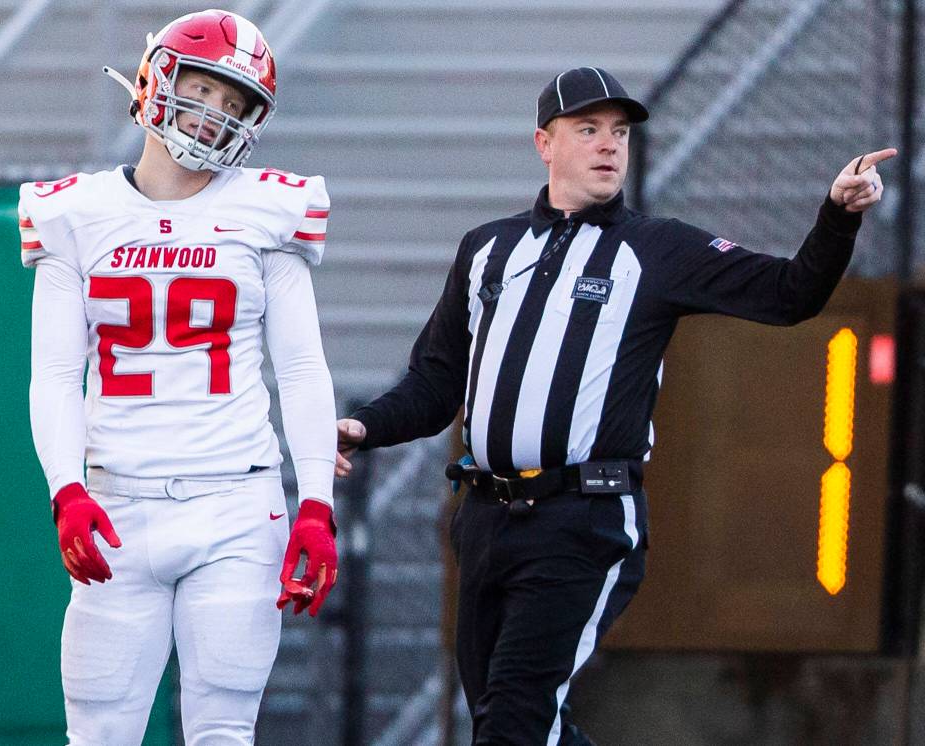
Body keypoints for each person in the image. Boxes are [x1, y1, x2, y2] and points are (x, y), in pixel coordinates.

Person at [335, 66, 895, 744]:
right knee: (514, 721)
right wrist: (364, 428)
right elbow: (434, 383)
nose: (610, 145)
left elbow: (790, 294)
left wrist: (837, 216)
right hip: (483, 521)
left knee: (515, 722)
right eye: (589, 129)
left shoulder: (656, 249)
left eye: (621, 132)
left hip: (582, 519)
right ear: (544, 142)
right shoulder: (487, 248)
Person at [19, 10, 339, 745]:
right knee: (98, 734)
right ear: (154, 81)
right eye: (204, 90)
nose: (216, 116)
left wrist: (315, 503)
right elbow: (56, 377)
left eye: (236, 106)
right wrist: (65, 488)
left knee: (224, 731)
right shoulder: (77, 212)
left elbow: (300, 367)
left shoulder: (268, 208)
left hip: (235, 501)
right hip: (118, 503)